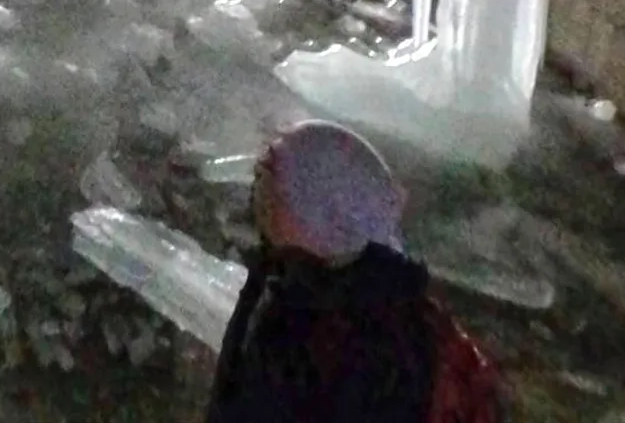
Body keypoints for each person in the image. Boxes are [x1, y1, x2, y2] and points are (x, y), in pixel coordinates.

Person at [204, 120, 504, 423]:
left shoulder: (350, 333)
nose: (256, 188)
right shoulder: (302, 290)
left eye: (269, 174)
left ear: (319, 206)